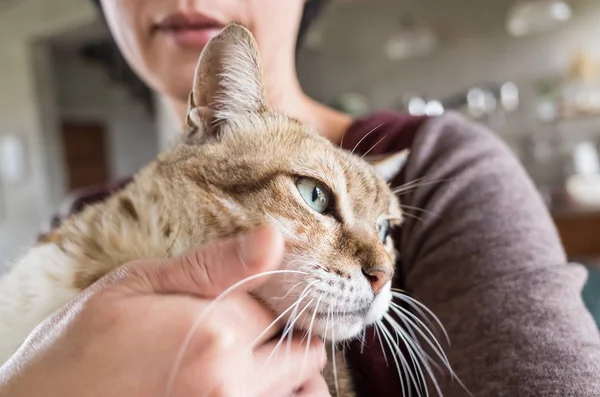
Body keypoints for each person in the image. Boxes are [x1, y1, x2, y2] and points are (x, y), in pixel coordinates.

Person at [3, 0, 600, 396]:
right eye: (317, 197)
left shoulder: (448, 162)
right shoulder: (74, 215)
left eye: (387, 231)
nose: (378, 269)